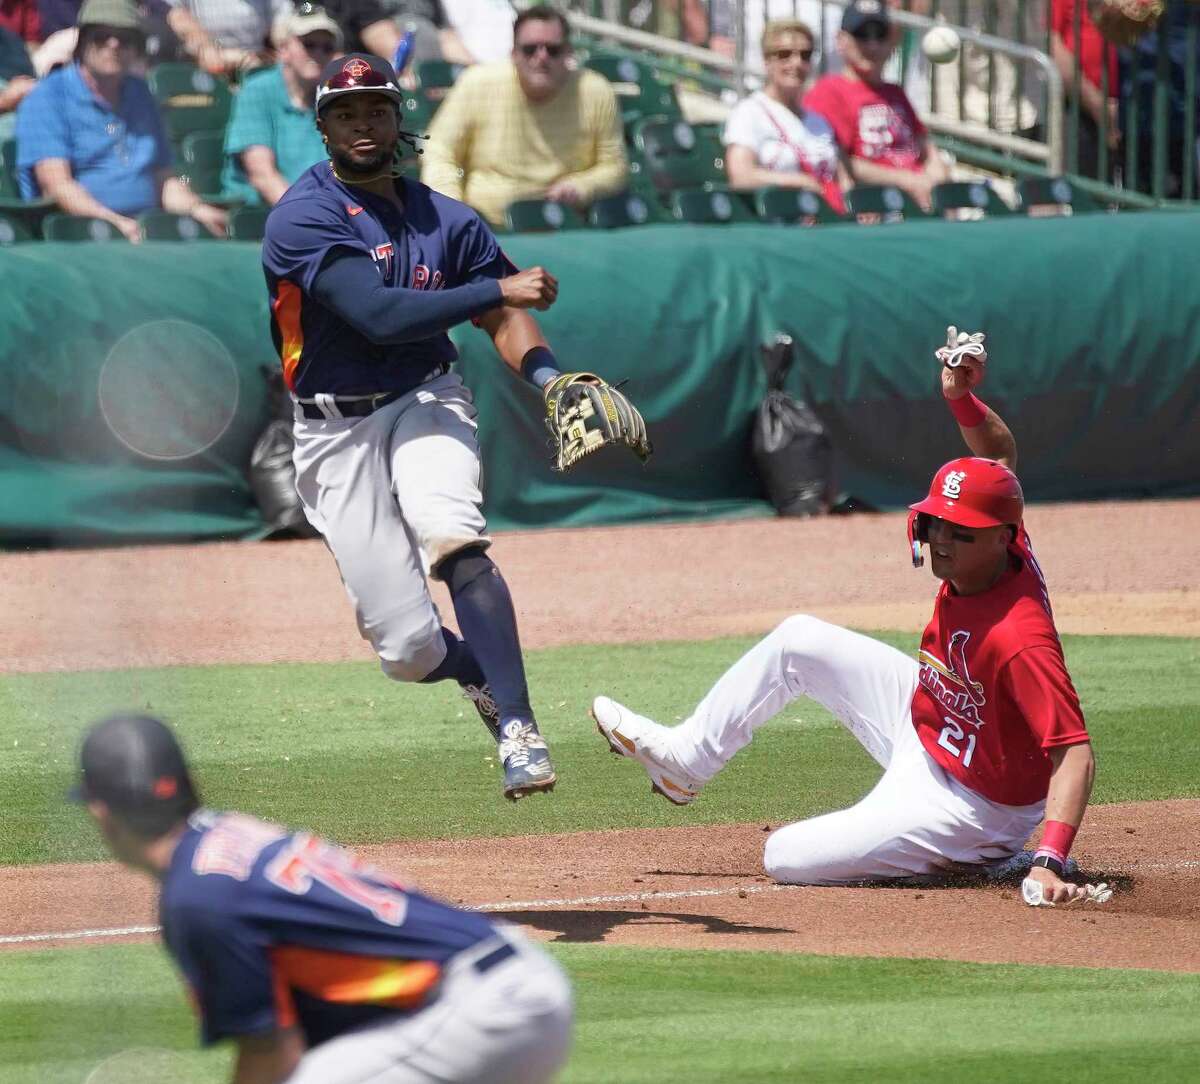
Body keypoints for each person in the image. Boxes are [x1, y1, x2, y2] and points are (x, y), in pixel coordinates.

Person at [595, 324, 1111, 908]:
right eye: (936, 522)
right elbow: (997, 460)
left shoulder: (1020, 636)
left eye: (959, 530)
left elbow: (1074, 752)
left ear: (1001, 537)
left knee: (785, 857)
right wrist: (958, 396)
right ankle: (686, 762)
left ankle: (980, 856)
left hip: (972, 805)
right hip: (926, 722)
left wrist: (1049, 860)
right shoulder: (1002, 541)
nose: (941, 538)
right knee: (799, 640)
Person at [262, 52, 629, 800]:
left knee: (451, 532)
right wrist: (496, 285)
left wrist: (548, 377)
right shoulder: (302, 215)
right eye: (345, 111)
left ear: (399, 120)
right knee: (404, 647)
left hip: (424, 397)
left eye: (375, 108)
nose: (362, 123)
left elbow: (501, 315)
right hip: (333, 430)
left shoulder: (446, 219)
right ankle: (477, 679)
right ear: (323, 126)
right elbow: (378, 313)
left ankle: (519, 728)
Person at [70, 713, 574, 1083]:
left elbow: (270, 1053)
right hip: (501, 984)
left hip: (483, 1010)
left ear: (101, 812)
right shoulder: (229, 833)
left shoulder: (195, 900)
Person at [15, 0, 228, 241]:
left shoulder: (142, 94)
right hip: (81, 236)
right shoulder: (48, 96)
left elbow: (163, 179)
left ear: (137, 48)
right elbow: (57, 186)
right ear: (82, 41)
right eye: (101, 36)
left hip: (147, 230)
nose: (113, 44)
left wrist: (197, 209)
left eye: (125, 38)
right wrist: (116, 224)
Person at [420, 5, 626, 228]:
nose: (541, 57)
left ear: (569, 53)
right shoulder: (478, 83)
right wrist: (453, 209)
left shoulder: (596, 91)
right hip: (487, 229)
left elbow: (615, 167)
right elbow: (437, 150)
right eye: (530, 49)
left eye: (553, 49)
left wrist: (581, 186)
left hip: (568, 226)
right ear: (514, 54)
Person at [803, 0, 948, 212]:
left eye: (880, 35)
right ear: (841, 40)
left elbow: (927, 150)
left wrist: (935, 175)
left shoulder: (895, 92)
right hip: (873, 206)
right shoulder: (829, 91)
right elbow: (840, 162)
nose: (872, 45)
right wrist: (908, 180)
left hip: (917, 204)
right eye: (862, 35)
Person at [722, 17, 851, 215]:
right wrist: (798, 182)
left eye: (805, 55)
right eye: (784, 54)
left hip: (829, 219)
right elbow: (741, 176)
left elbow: (844, 181)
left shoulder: (819, 121)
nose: (796, 63)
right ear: (767, 61)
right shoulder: (749, 112)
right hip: (780, 222)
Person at [221, 4, 342, 206]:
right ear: (284, 49)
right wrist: (308, 219)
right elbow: (262, 175)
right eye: (309, 44)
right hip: (260, 218)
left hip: (324, 217)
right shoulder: (257, 90)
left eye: (327, 48)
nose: (318, 53)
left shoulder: (333, 98)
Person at [1050, 0, 1119, 181]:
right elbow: (1051, 44)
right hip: (1076, 107)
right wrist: (1098, 106)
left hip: (1126, 110)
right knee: (1083, 194)